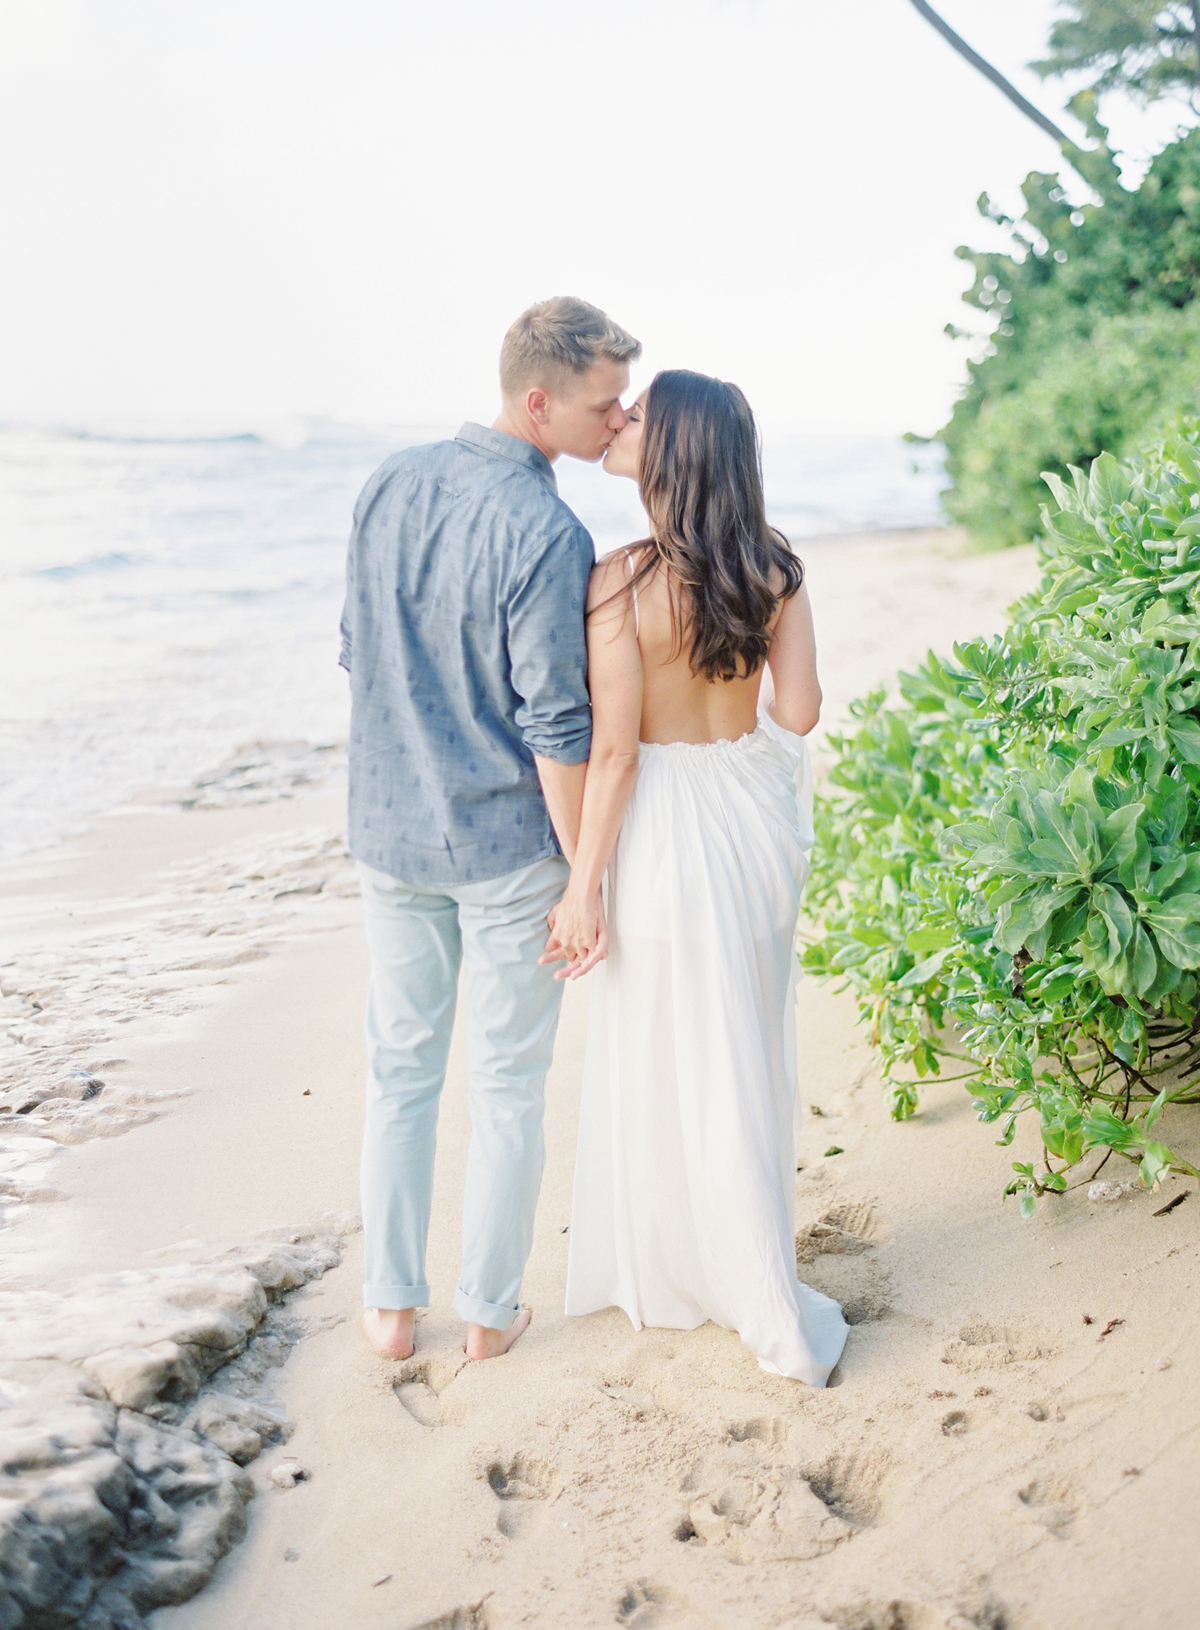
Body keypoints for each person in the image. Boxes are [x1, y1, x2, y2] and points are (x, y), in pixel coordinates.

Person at [339, 296, 640, 1362]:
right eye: (604, 405)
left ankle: (388, 1304)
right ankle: (488, 1309)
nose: (618, 421)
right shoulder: (548, 530)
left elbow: (356, 651)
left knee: (402, 1066)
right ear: (537, 399)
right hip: (508, 844)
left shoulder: (388, 480)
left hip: (388, 828)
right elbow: (556, 723)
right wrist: (582, 880)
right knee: (508, 1082)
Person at [546, 370, 849, 1385]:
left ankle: (690, 1271)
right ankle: (749, 1263)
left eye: (638, 416)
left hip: (669, 832)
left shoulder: (621, 582)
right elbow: (799, 713)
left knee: (672, 1051)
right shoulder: (774, 568)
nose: (619, 422)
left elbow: (619, 754)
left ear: (672, 450)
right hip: (752, 826)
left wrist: (582, 885)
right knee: (742, 1051)